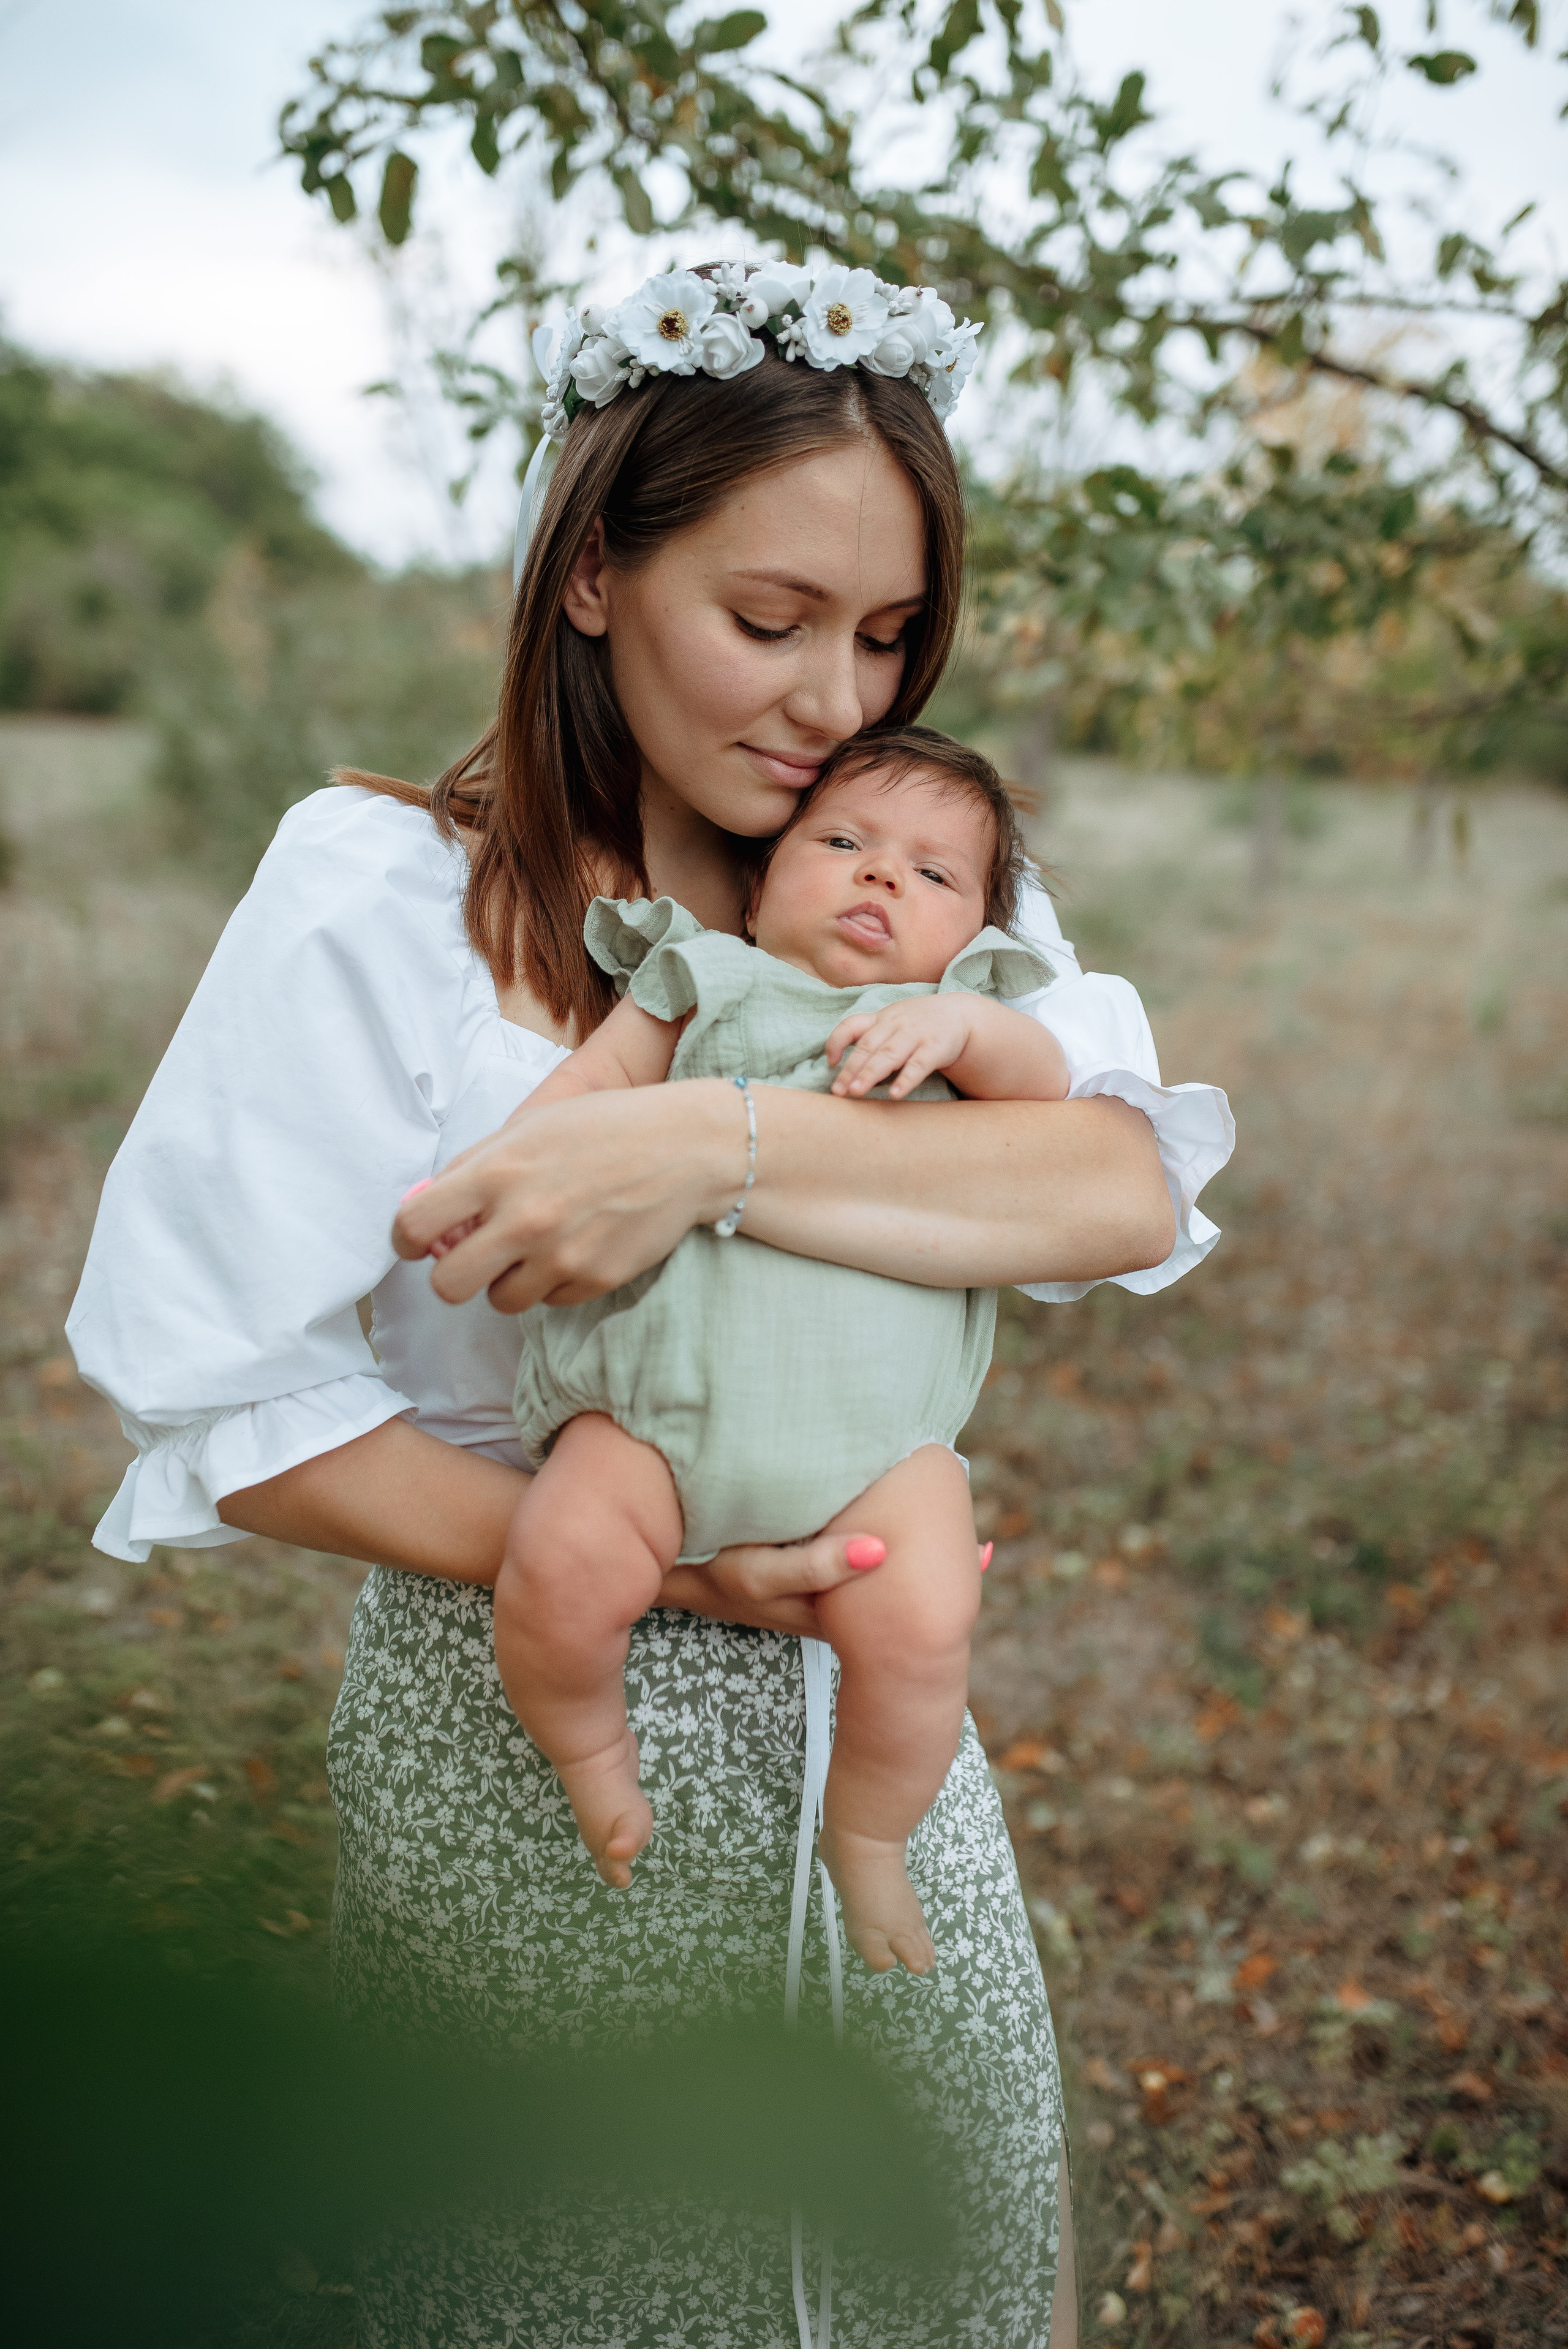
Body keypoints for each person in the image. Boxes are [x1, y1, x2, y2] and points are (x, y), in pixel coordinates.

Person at [67, 257, 1234, 2348]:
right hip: (527, 1717)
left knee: (938, 2257)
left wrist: (718, 1147)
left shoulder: (912, 875)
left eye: (888, 635)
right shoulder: (384, 893)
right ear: (593, 573)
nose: (834, 704)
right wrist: (641, 1573)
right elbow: (225, 1388)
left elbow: (1120, 1178)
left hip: (883, 1719)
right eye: (768, 621)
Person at [482, 727, 1067, 1979]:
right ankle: (590, 1752)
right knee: (560, 1562)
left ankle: (865, 1835)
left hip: (875, 1454)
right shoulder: (706, 979)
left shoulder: (960, 1025)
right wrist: (523, 1166)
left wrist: (961, 1027)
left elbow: (1050, 1102)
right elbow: (588, 1090)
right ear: (757, 883)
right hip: (649, 1415)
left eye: (931, 874)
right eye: (842, 844)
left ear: (973, 939)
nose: (879, 880)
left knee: (922, 1619)